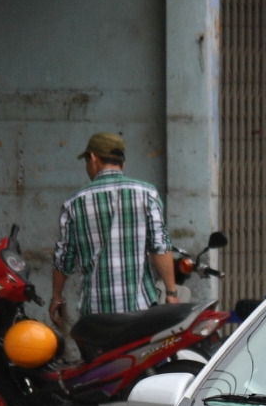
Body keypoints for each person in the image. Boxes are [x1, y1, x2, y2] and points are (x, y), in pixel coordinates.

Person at [50, 132, 175, 331]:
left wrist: (57, 297)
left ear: (93, 159)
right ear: (122, 163)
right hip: (140, 307)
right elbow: (160, 247)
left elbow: (64, 257)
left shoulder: (74, 203)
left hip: (96, 311)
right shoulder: (147, 194)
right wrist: (171, 293)